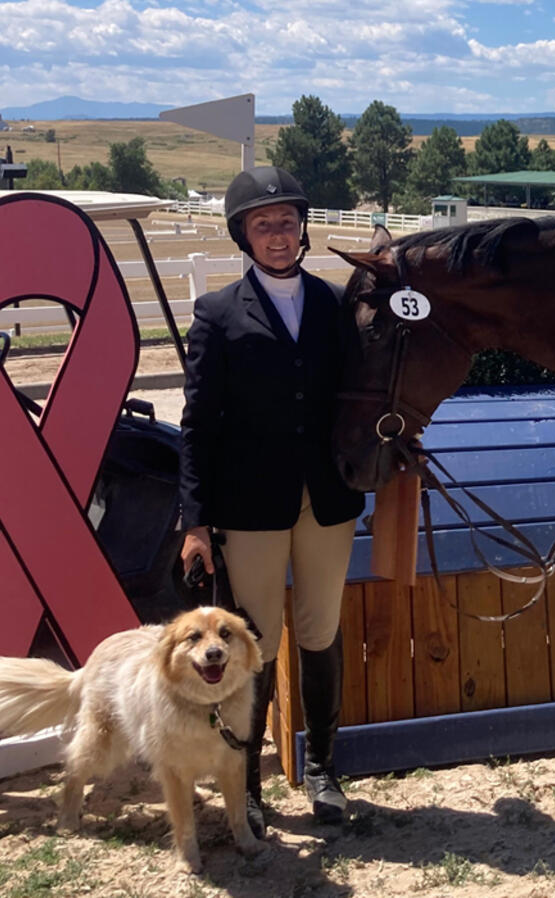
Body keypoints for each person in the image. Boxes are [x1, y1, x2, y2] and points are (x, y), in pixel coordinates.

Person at [178, 166, 364, 837]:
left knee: (320, 632)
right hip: (250, 505)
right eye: (264, 224)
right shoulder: (219, 314)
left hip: (326, 500)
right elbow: (197, 423)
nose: (278, 234)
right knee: (250, 645)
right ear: (243, 235)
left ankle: (322, 769)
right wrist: (194, 520)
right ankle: (246, 780)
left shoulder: (334, 303)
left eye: (286, 221)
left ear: (301, 226)